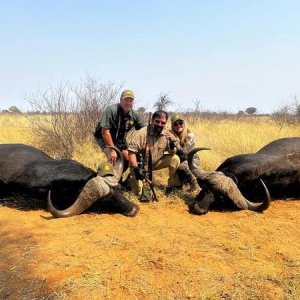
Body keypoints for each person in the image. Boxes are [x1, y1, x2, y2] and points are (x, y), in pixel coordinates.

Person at [126, 110, 181, 198]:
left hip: (156, 162)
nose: (159, 124)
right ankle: (130, 181)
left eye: (163, 123)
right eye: (157, 121)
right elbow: (131, 152)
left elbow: (172, 152)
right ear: (152, 120)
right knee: (141, 194)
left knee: (175, 159)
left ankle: (173, 186)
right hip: (140, 166)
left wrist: (172, 145)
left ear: (166, 123)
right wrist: (136, 169)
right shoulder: (142, 133)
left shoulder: (167, 133)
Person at [94, 89, 145, 168]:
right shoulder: (111, 110)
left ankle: (119, 177)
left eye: (130, 100)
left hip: (119, 140)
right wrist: (112, 150)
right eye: (126, 100)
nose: (128, 103)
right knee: (113, 158)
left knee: (128, 158)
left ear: (133, 102)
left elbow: (144, 130)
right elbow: (105, 132)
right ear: (120, 100)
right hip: (103, 137)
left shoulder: (134, 114)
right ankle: (106, 177)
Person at [170, 113, 199, 191]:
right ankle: (179, 185)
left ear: (184, 123)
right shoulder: (172, 134)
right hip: (180, 158)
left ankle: (195, 185)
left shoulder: (190, 135)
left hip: (191, 159)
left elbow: (185, 152)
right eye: (175, 124)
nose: (179, 126)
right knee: (173, 164)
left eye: (181, 123)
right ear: (172, 126)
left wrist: (175, 141)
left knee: (182, 167)